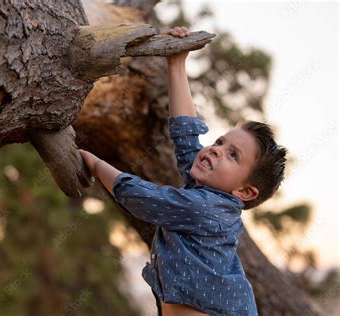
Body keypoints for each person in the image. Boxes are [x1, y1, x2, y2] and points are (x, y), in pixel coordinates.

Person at [79, 26, 287, 316]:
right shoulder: (205, 194)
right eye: (219, 141)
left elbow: (146, 199)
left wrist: (97, 164)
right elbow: (186, 136)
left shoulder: (208, 210)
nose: (215, 148)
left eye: (232, 155)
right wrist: (176, 63)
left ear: (244, 191)